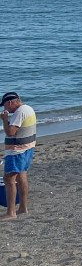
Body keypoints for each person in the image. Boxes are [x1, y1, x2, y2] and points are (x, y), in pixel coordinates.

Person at [2, 92, 34, 220]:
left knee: (9, 179)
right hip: (27, 148)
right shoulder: (28, 109)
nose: (5, 109)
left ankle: (11, 212)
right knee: (21, 176)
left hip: (17, 150)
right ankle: (23, 208)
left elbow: (10, 132)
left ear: (10, 102)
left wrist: (4, 120)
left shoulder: (19, 112)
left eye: (5, 106)